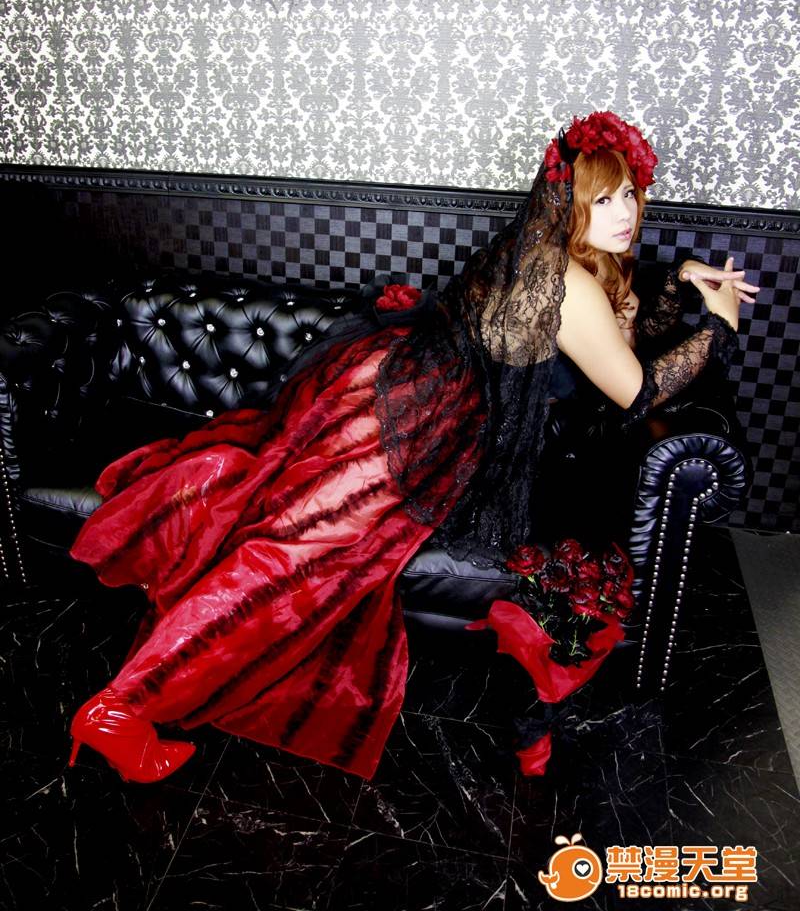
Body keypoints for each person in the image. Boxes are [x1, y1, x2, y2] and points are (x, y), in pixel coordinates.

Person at [68, 112, 757, 783]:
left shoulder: (573, 259)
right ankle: (119, 708)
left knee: (292, 540)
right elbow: (635, 390)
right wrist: (719, 326)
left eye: (629, 193)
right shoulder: (567, 282)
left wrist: (678, 282)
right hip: (416, 422)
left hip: (412, 400)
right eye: (601, 199)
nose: (624, 212)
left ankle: (127, 698)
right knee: (299, 554)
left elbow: (618, 346)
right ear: (567, 202)